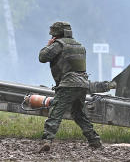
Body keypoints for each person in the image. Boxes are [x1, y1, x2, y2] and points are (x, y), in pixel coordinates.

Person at [38, 21, 102, 152]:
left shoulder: (58, 45)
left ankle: (47, 140)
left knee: (55, 112)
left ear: (57, 33)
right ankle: (94, 140)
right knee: (78, 114)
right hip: (83, 84)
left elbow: (42, 57)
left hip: (68, 84)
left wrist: (48, 45)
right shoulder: (80, 46)